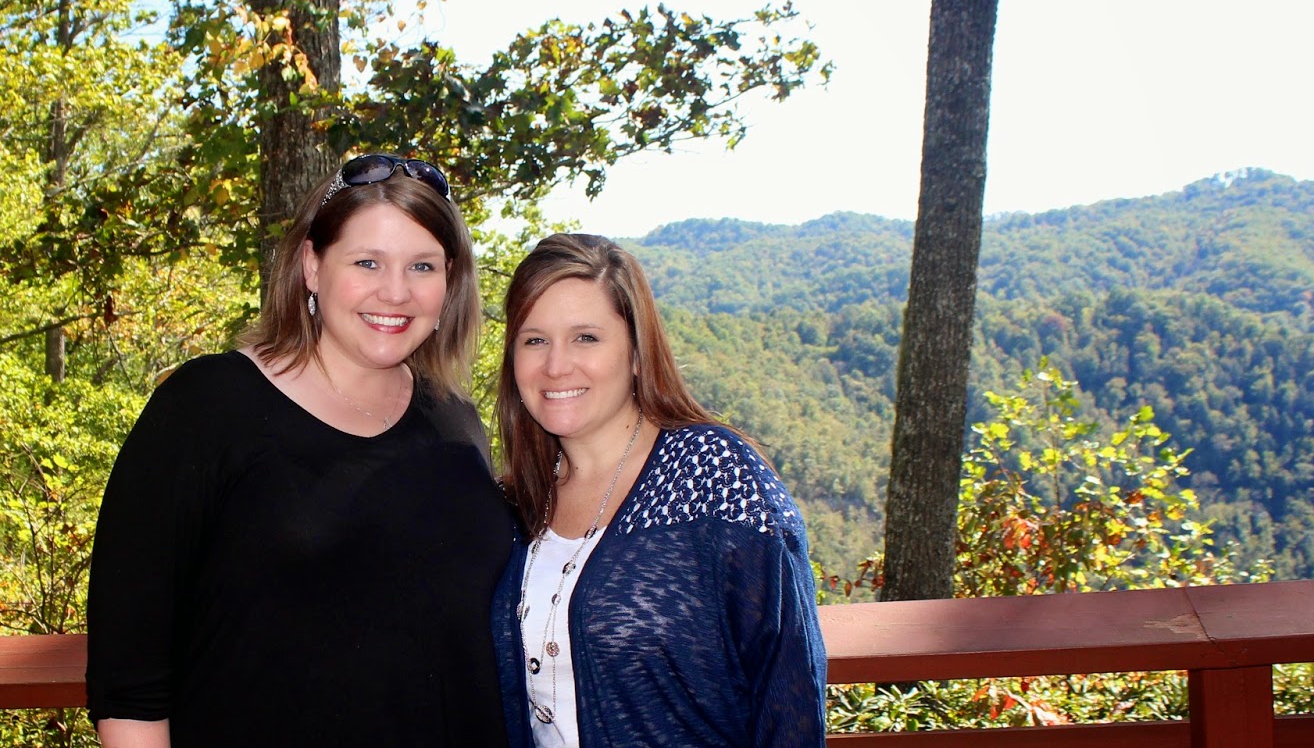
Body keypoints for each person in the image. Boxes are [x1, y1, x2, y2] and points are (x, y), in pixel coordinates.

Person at [86, 154, 515, 748]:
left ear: (449, 283)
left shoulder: (456, 420)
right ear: (312, 266)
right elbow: (129, 677)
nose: (396, 291)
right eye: (367, 262)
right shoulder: (208, 406)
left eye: (422, 266)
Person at [490, 233, 828, 747]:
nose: (556, 365)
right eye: (534, 340)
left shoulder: (716, 480)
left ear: (635, 353)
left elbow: (789, 695)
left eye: (586, 338)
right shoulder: (515, 505)